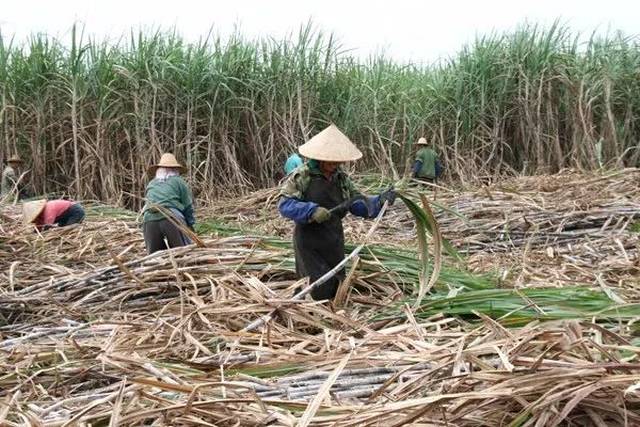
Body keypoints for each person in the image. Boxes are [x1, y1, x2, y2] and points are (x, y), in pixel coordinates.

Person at [278, 124, 396, 301]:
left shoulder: (341, 180)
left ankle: (334, 320)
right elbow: (285, 205)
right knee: (317, 286)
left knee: (336, 285)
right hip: (309, 240)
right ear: (319, 158)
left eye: (337, 162)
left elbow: (357, 204)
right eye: (331, 161)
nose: (335, 166)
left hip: (334, 238)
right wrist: (311, 210)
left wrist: (379, 201)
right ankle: (306, 315)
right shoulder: (302, 176)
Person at [142, 153, 195, 254]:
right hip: (171, 217)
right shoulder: (178, 181)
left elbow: (147, 202)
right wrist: (190, 225)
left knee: (155, 256)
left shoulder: (152, 183)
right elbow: (188, 206)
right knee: (183, 252)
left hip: (149, 219)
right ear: (175, 170)